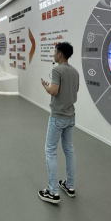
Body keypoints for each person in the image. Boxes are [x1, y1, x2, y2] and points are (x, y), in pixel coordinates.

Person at [38, 42, 79, 204]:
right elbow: (75, 90)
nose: (54, 54)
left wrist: (46, 87)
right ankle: (70, 186)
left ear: (60, 54)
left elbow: (54, 91)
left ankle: (53, 191)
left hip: (57, 117)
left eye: (55, 52)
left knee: (50, 151)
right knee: (69, 150)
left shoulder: (57, 70)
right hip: (70, 116)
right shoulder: (75, 71)